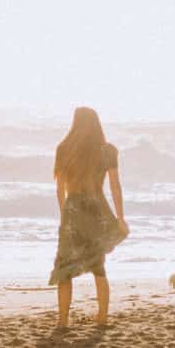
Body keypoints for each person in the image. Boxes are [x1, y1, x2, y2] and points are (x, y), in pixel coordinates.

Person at [48, 106, 127, 326]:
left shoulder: (64, 149)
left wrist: (65, 216)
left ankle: (63, 320)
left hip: (73, 210)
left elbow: (60, 189)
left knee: (64, 267)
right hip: (97, 210)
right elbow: (115, 187)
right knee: (98, 265)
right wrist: (120, 217)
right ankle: (102, 317)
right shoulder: (107, 150)